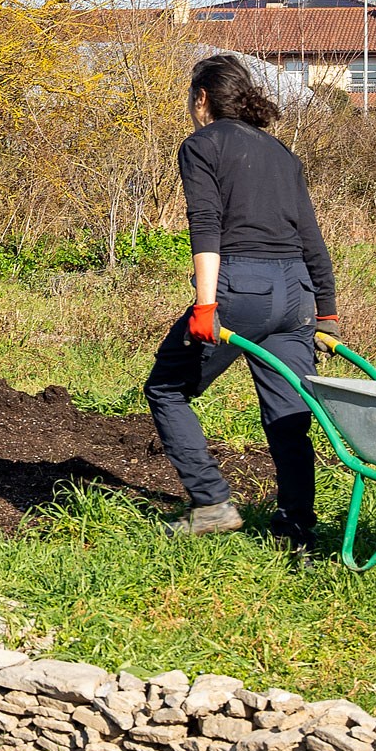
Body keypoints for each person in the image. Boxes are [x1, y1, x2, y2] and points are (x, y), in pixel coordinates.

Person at [143, 53, 338, 551]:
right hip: (297, 295)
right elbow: (311, 237)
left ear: (202, 98)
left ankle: (212, 502)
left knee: (166, 389)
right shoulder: (281, 153)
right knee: (289, 417)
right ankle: (297, 529)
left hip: (242, 288)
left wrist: (206, 305)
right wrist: (327, 314)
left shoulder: (202, 144)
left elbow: (205, 225)